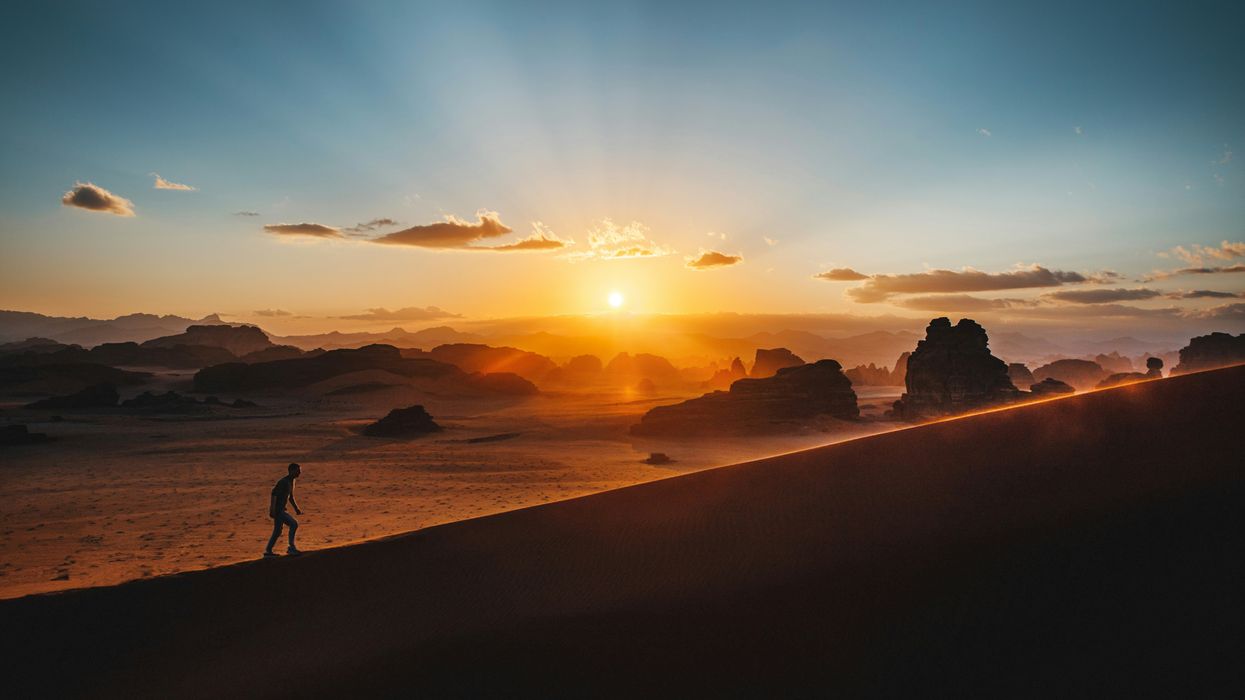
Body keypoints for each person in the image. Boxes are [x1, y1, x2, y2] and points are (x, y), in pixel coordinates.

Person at [265, 463, 304, 556]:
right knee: (293, 524)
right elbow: (274, 494)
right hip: (278, 510)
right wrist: (272, 509)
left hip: (282, 509)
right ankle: (291, 548)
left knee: (277, 531)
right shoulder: (283, 482)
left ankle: (268, 551)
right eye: (298, 471)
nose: (299, 473)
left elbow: (291, 497)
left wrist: (296, 508)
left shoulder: (292, 481)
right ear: (291, 471)